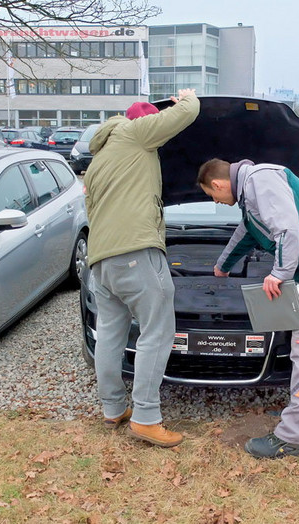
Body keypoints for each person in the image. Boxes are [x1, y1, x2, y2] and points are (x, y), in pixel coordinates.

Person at [197, 158, 299, 458]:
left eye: (212, 195)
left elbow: (286, 227)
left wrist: (280, 273)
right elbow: (245, 234)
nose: (216, 201)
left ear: (219, 184)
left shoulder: (262, 179)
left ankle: (293, 437)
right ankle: (295, 418)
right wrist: (222, 267)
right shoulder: (251, 195)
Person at [83, 89, 199, 448]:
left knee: (111, 334)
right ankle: (146, 417)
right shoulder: (133, 133)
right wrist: (187, 99)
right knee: (157, 331)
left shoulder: (100, 160)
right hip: (135, 252)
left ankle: (114, 407)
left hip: (101, 261)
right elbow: (184, 116)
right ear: (142, 123)